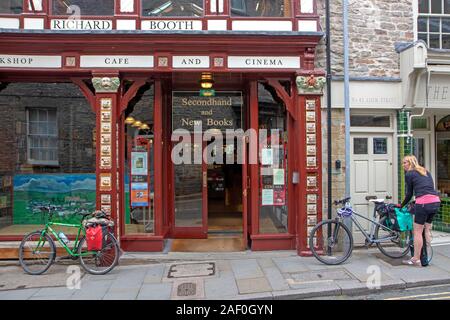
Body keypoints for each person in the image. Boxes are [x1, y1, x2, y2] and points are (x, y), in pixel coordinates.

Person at [400, 155, 441, 266]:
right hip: (435, 202)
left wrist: (401, 205)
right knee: (426, 230)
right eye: (402, 163)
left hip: (423, 204)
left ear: (411, 163)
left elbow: (409, 194)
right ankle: (425, 256)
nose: (403, 165)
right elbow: (429, 188)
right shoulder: (425, 171)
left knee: (417, 231)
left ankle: (416, 258)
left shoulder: (409, 174)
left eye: (405, 162)